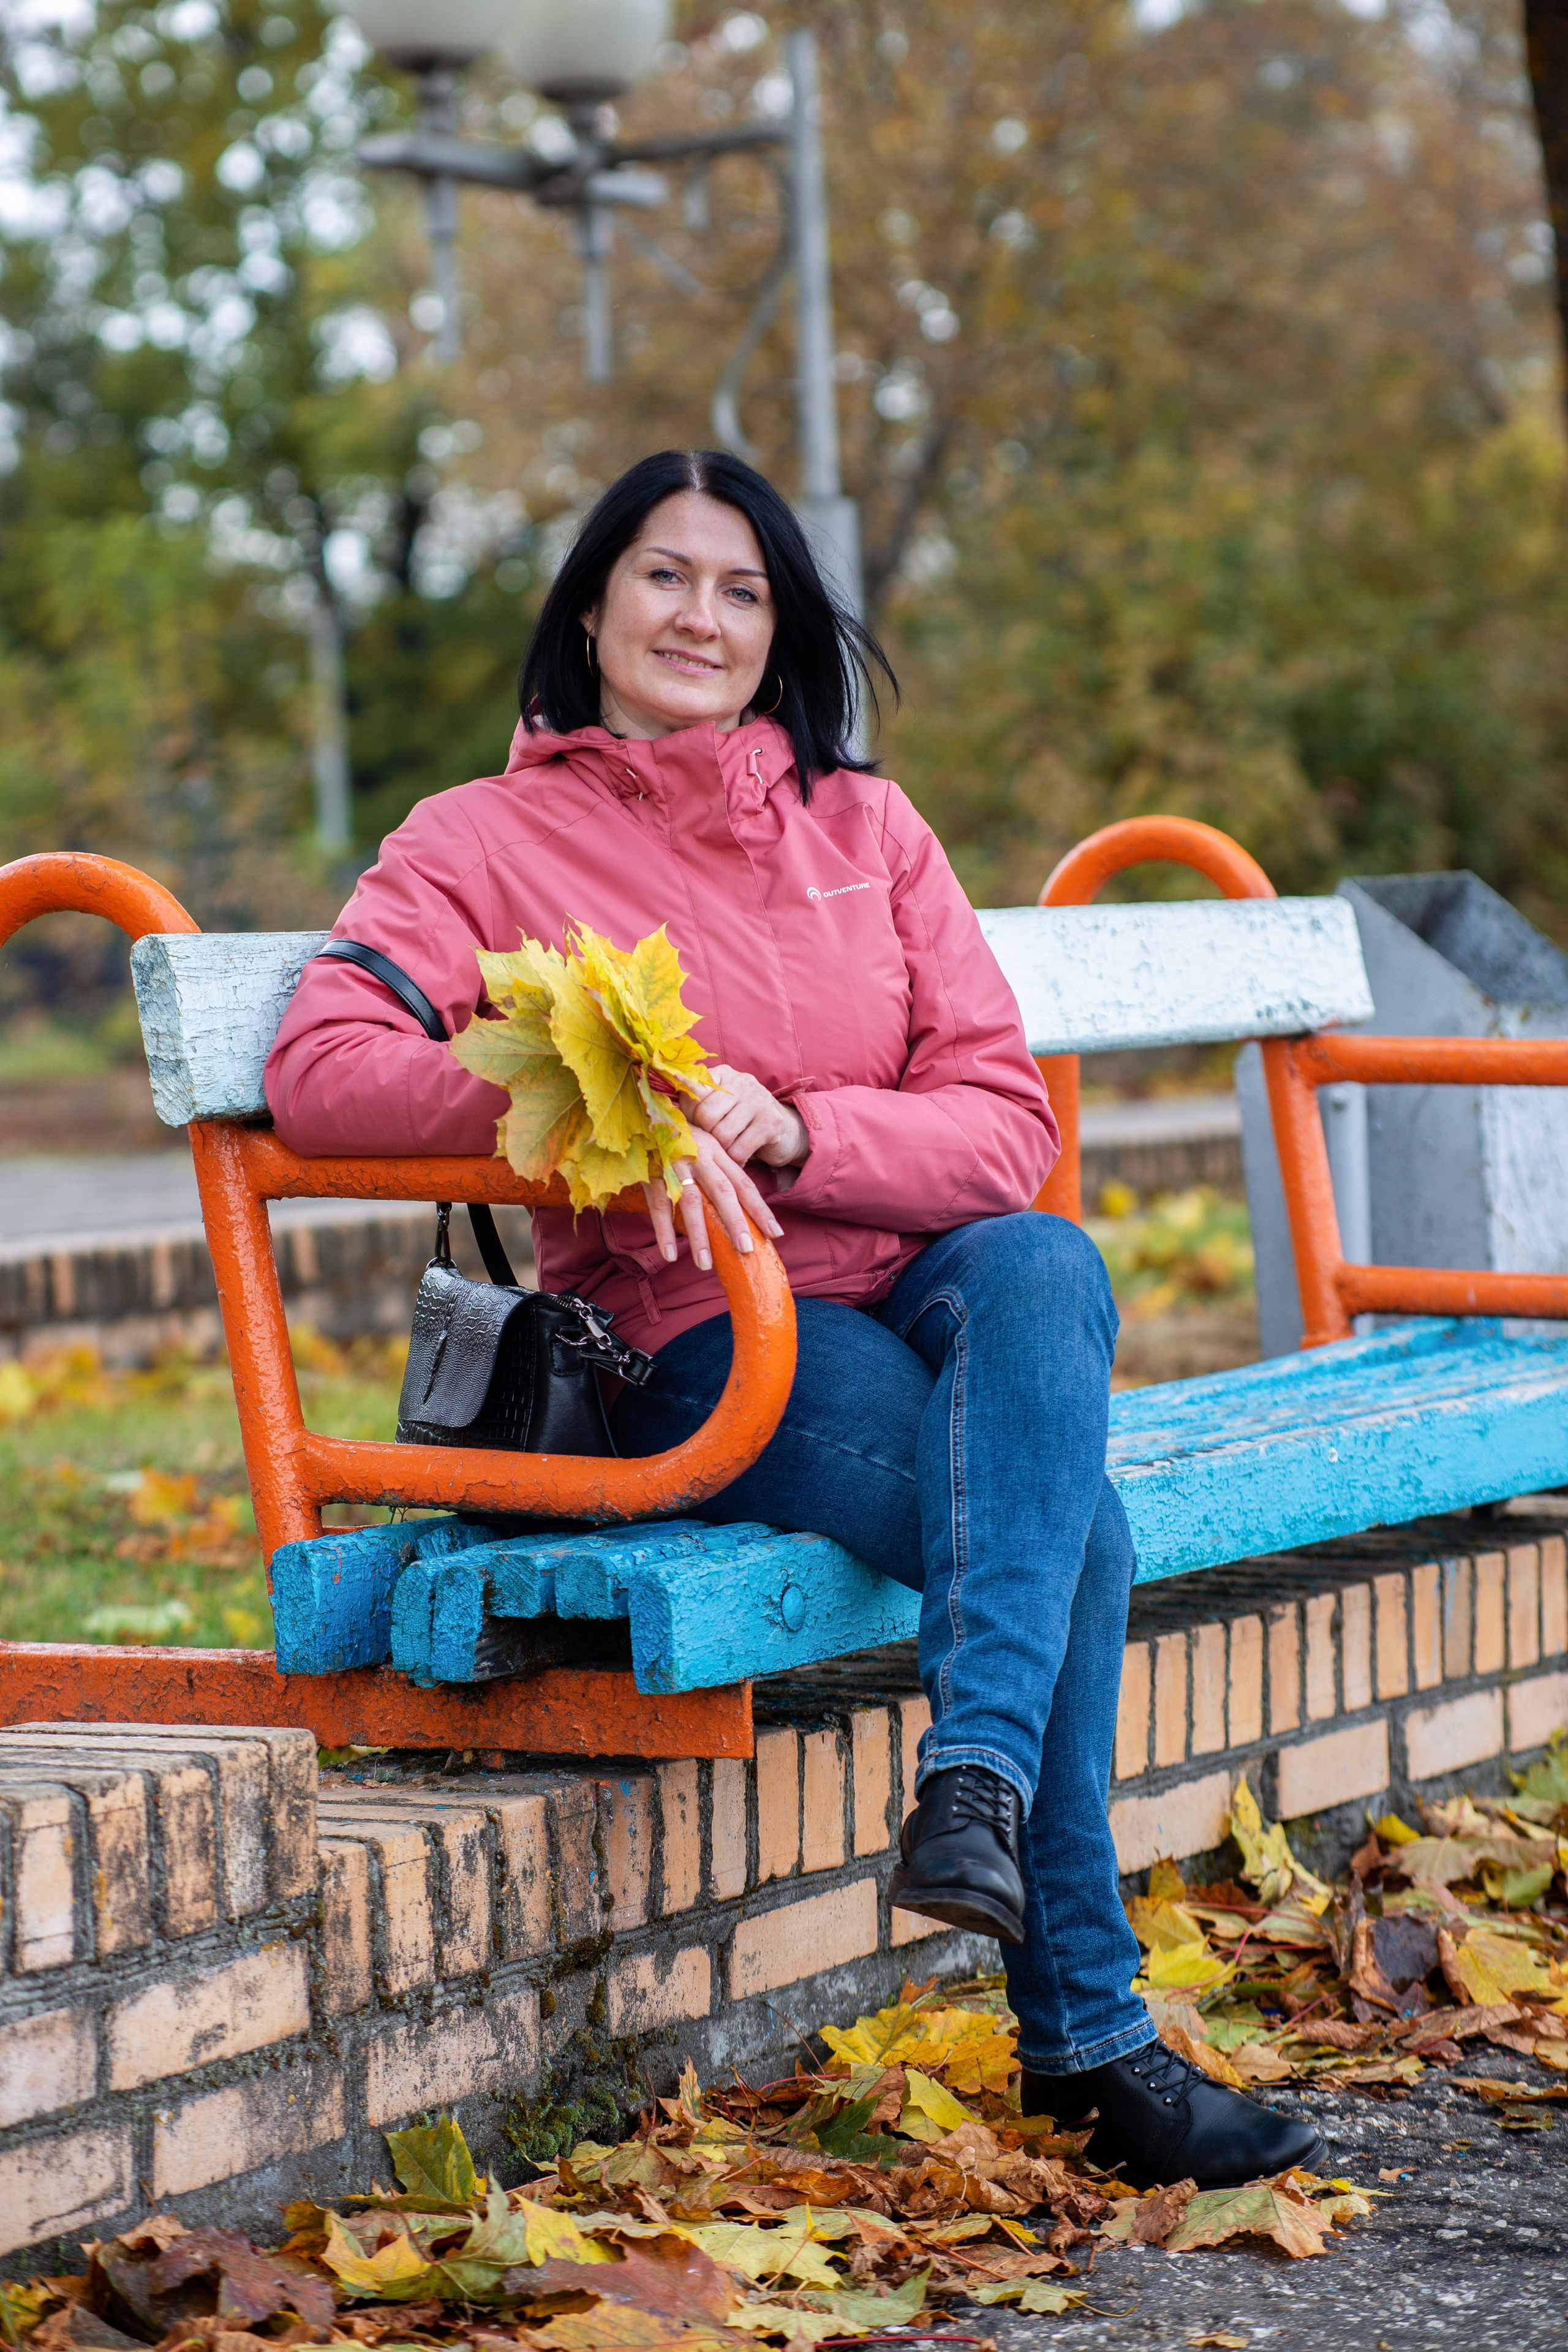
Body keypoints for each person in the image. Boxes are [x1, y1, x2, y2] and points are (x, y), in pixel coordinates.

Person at [266, 448, 1323, 2191]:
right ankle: (1090, 2037)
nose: (703, 615)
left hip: (924, 1282)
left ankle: (973, 1788)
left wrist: (810, 1129)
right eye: (667, 577)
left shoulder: (869, 829)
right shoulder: (482, 841)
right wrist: (605, 1100)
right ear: (592, 607)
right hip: (707, 1336)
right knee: (1078, 1539)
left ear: (782, 631)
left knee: (1047, 1261)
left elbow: (1006, 1123)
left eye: (745, 590)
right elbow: (324, 1067)